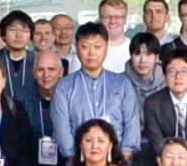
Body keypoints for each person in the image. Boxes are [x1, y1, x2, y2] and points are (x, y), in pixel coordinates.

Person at [51, 21, 142, 155]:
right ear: (77, 49)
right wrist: (75, 161)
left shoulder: (122, 84)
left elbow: (132, 126)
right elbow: (62, 130)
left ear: (106, 48)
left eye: (97, 47)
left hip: (117, 160)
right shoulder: (64, 87)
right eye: (84, 47)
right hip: (78, 161)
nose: (91, 53)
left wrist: (121, 160)